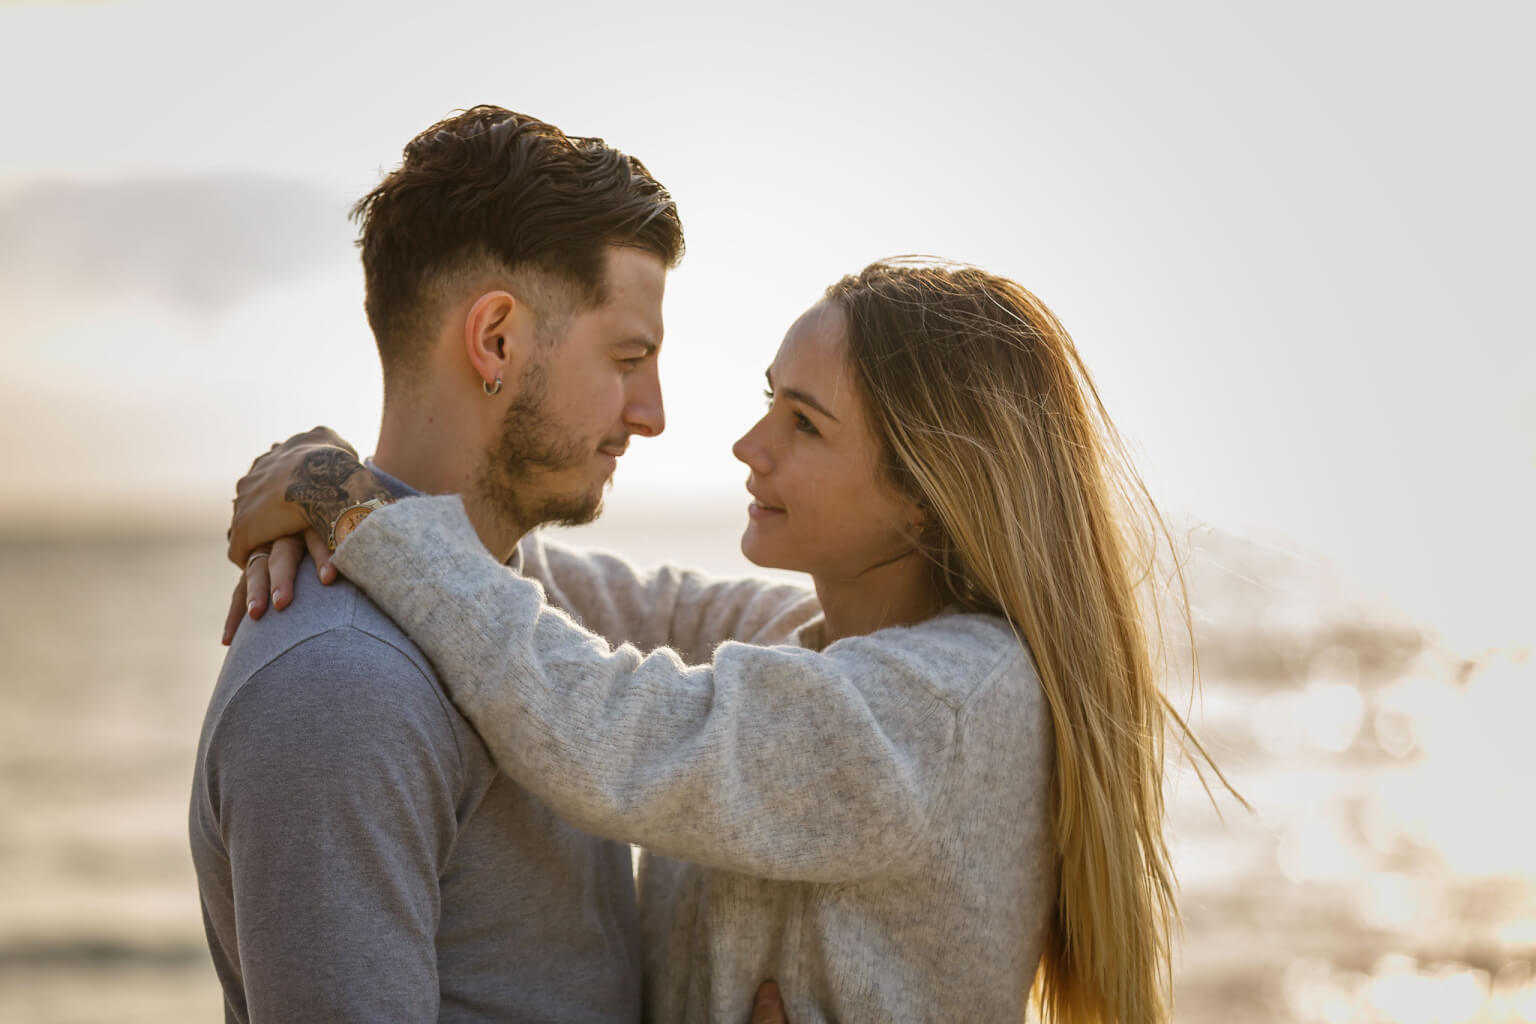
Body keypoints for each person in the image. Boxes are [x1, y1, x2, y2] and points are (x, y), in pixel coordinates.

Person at [230, 260, 1240, 1021]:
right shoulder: (831, 649)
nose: (749, 445)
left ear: (930, 499)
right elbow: (586, 599)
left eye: (804, 423)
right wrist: (346, 496)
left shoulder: (933, 714)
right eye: (769, 402)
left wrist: (352, 507)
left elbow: (597, 720)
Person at [191, 103, 804, 1023]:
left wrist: (334, 490)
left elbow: (811, 636)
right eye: (628, 357)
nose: (653, 413)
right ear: (497, 341)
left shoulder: (525, 592)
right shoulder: (343, 688)